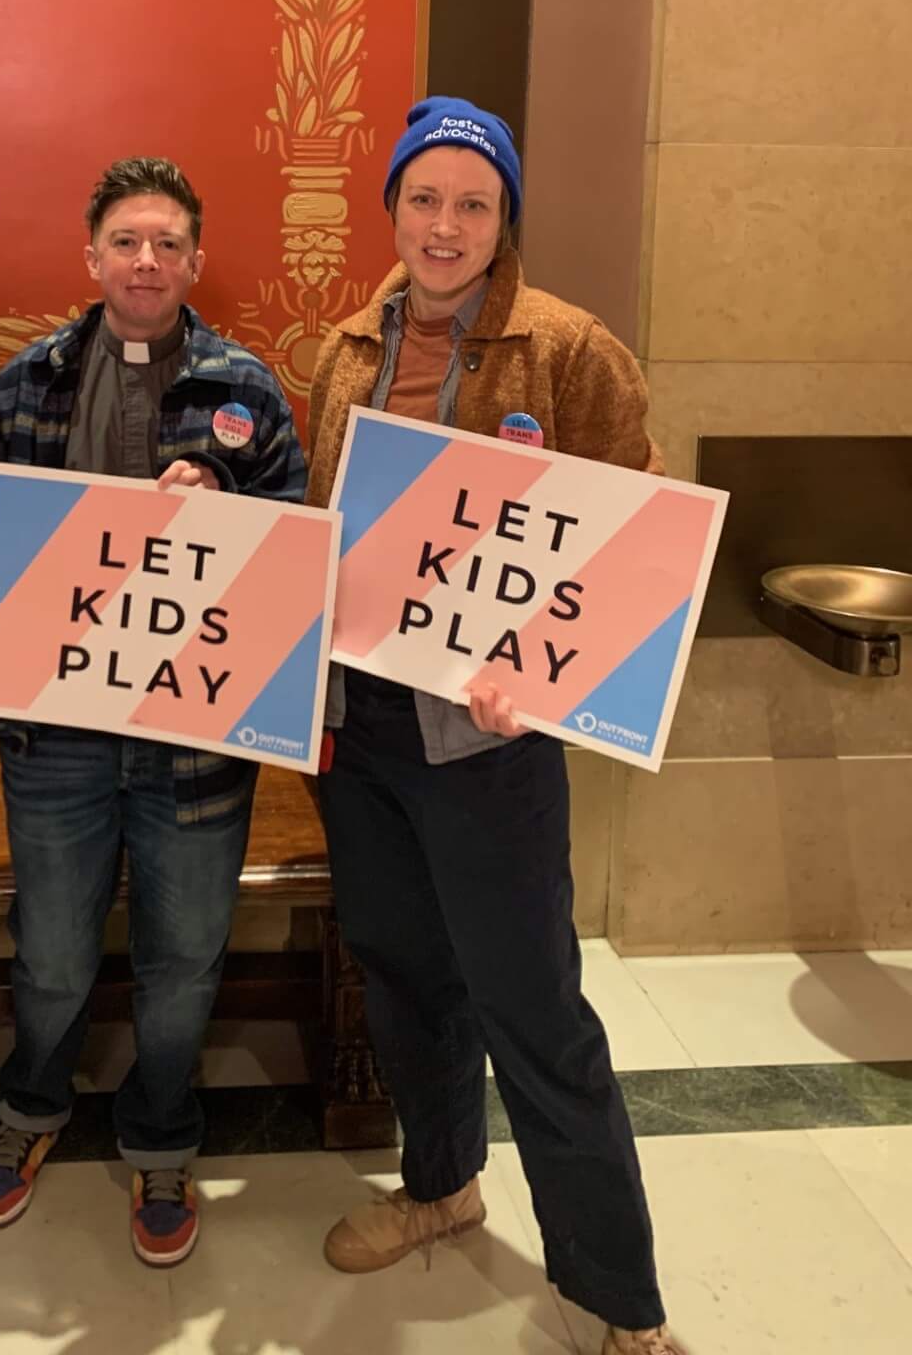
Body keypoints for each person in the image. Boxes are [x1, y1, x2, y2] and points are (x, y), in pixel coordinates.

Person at [305, 97, 681, 1355]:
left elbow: (637, 551)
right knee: (407, 980)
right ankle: (441, 1186)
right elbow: (322, 531)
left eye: (473, 202)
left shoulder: (569, 351)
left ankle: (619, 1302)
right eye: (425, 199)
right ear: (394, 209)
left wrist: (552, 678)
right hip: (365, 735)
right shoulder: (345, 347)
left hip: (493, 745)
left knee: (534, 1008)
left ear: (502, 216)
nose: (447, 224)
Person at [0, 156, 304, 1267]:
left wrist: (229, 509)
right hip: (56, 743)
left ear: (195, 262)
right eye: (125, 242)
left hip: (196, 748)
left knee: (186, 956)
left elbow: (302, 554)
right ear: (91, 256)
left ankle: (162, 1132)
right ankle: (31, 1111)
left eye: (166, 244)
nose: (145, 262)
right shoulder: (22, 386)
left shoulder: (247, 390)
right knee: (51, 951)